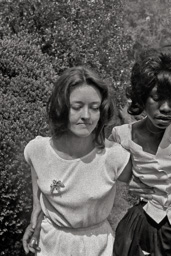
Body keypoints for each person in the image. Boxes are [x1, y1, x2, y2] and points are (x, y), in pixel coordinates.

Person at [22, 66, 132, 255]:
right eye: (77, 107)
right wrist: (37, 208)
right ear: (62, 107)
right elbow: (36, 167)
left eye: (94, 108)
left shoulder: (113, 156)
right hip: (50, 245)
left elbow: (150, 186)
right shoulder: (38, 149)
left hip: (97, 247)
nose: (87, 116)